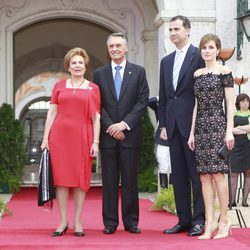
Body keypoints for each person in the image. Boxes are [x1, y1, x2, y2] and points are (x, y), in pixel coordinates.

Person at [93, 32, 149, 234]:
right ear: (107, 49)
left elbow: (142, 102)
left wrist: (124, 124)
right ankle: (110, 223)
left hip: (130, 135)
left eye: (118, 45)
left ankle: (131, 222)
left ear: (126, 48)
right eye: (111, 46)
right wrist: (111, 126)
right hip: (108, 136)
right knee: (108, 182)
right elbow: (97, 104)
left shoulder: (139, 72)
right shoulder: (99, 74)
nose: (115, 49)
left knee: (130, 181)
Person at [41, 47, 101, 237]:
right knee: (62, 182)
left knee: (80, 181)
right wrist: (45, 138)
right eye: (74, 63)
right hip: (59, 138)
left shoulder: (93, 88)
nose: (77, 66)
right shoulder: (59, 86)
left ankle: (77, 221)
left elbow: (96, 117)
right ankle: (63, 221)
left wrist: (96, 142)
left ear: (85, 66)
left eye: (80, 63)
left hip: (83, 137)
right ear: (68, 66)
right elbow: (52, 112)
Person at [158, 15, 205, 236]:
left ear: (188, 30)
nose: (173, 33)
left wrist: (199, 126)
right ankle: (183, 220)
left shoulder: (199, 56)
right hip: (173, 126)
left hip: (193, 126)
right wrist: (164, 124)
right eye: (171, 29)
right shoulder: (166, 61)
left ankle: (199, 220)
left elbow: (202, 93)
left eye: (177, 29)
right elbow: (165, 96)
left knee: (196, 177)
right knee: (178, 176)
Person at [188, 33, 235, 240]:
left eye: (210, 47)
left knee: (217, 174)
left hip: (218, 125)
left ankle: (224, 220)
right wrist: (191, 133)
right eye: (203, 48)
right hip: (201, 128)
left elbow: (230, 104)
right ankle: (210, 222)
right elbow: (196, 106)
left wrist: (229, 131)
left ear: (217, 50)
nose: (206, 51)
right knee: (204, 177)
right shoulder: (197, 74)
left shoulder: (225, 72)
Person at [230, 93, 250, 207]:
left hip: (248, 146)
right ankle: (232, 200)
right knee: (234, 173)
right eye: (243, 101)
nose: (245, 103)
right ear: (238, 103)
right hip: (236, 147)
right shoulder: (233, 115)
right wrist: (244, 130)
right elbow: (230, 130)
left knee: (248, 173)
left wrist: (238, 128)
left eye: (247, 101)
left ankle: (244, 200)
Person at [148, 96, 171, 188]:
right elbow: (148, 101)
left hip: (175, 139)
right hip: (163, 140)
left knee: (174, 167)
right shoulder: (160, 105)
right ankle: (164, 190)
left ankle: (173, 191)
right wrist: (159, 98)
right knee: (163, 166)